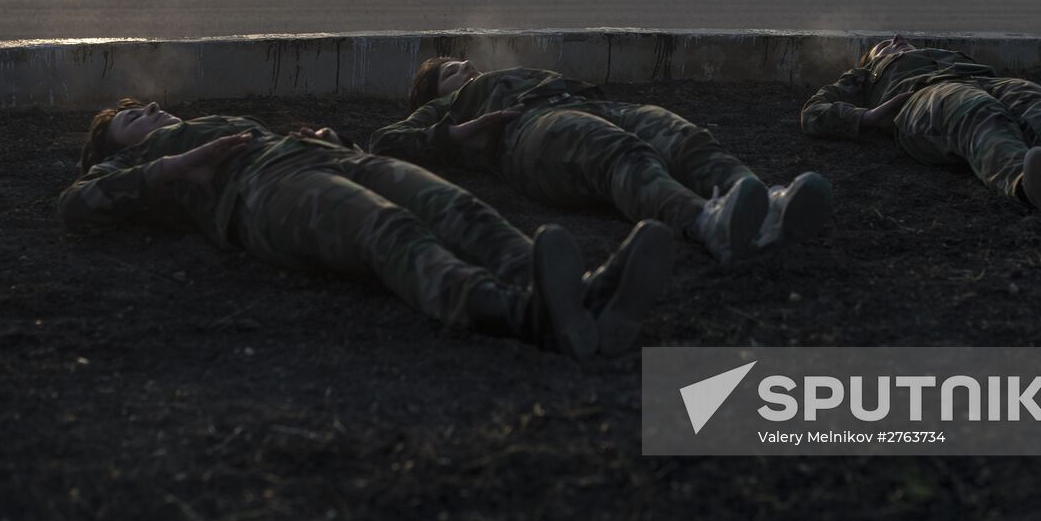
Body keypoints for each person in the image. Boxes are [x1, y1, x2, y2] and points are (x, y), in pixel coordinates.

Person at [59, 99, 675, 359]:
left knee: (459, 210)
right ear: (114, 148)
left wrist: (330, 139)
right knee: (389, 230)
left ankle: (581, 295)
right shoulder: (131, 168)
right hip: (262, 195)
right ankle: (518, 314)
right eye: (130, 119)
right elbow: (75, 207)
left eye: (145, 107)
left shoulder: (208, 119)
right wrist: (175, 166)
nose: (149, 111)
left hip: (323, 157)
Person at [370, 59, 832, 265]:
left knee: (685, 139)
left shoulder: (509, 75)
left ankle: (767, 204)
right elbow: (386, 142)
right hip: (526, 133)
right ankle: (706, 222)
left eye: (463, 63)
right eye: (451, 72)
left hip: (587, 104)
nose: (466, 67)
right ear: (436, 96)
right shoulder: (450, 108)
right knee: (621, 155)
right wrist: (465, 130)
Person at [799, 36, 1041, 214]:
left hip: (983, 81)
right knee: (977, 111)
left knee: (1035, 99)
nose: (897, 37)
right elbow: (813, 112)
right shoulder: (866, 77)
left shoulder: (946, 55)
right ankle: (1027, 183)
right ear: (872, 60)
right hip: (923, 100)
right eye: (884, 43)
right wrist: (869, 117)